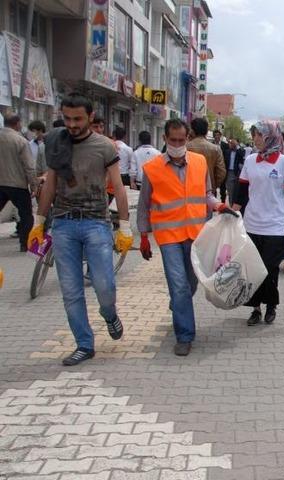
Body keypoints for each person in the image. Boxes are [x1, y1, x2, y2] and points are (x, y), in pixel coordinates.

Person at [29, 93, 132, 366]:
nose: (72, 124)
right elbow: (50, 184)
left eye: (78, 119)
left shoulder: (104, 147)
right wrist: (39, 223)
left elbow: (118, 187)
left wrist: (125, 227)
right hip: (63, 224)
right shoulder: (56, 142)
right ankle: (84, 345)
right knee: (71, 289)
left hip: (96, 222)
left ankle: (109, 314)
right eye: (67, 118)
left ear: (90, 117)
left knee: (104, 285)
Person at [138, 119, 233, 356]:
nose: (178, 144)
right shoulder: (152, 168)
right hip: (168, 236)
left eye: (182, 140)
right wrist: (143, 236)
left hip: (195, 234)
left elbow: (207, 194)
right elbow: (143, 205)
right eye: (173, 140)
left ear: (188, 138)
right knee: (179, 285)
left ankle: (178, 306)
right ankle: (185, 335)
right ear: (165, 139)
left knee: (190, 284)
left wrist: (220, 205)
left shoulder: (200, 163)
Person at [231, 121, 284, 325]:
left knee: (270, 268)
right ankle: (255, 309)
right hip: (252, 223)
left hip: (275, 225)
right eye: (254, 135)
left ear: (271, 137)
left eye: (260, 135)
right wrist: (231, 214)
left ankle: (271, 305)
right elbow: (242, 192)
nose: (255, 139)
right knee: (254, 268)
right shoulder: (250, 160)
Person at [0, 114, 37, 252]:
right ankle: (25, 243)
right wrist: (34, 185)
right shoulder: (20, 141)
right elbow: (29, 166)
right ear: (17, 123)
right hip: (17, 184)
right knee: (26, 214)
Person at [187, 117, 227, 192]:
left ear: (192, 131)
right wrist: (213, 185)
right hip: (209, 190)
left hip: (189, 189)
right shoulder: (216, 149)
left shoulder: (186, 147)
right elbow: (221, 172)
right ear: (206, 131)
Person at [221, 138, 245, 204]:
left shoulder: (239, 151)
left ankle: (236, 205)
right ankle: (231, 205)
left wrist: (237, 147)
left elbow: (242, 155)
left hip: (237, 173)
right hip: (229, 173)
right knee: (230, 191)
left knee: (236, 191)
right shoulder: (227, 152)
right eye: (231, 144)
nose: (232, 145)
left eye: (233, 144)